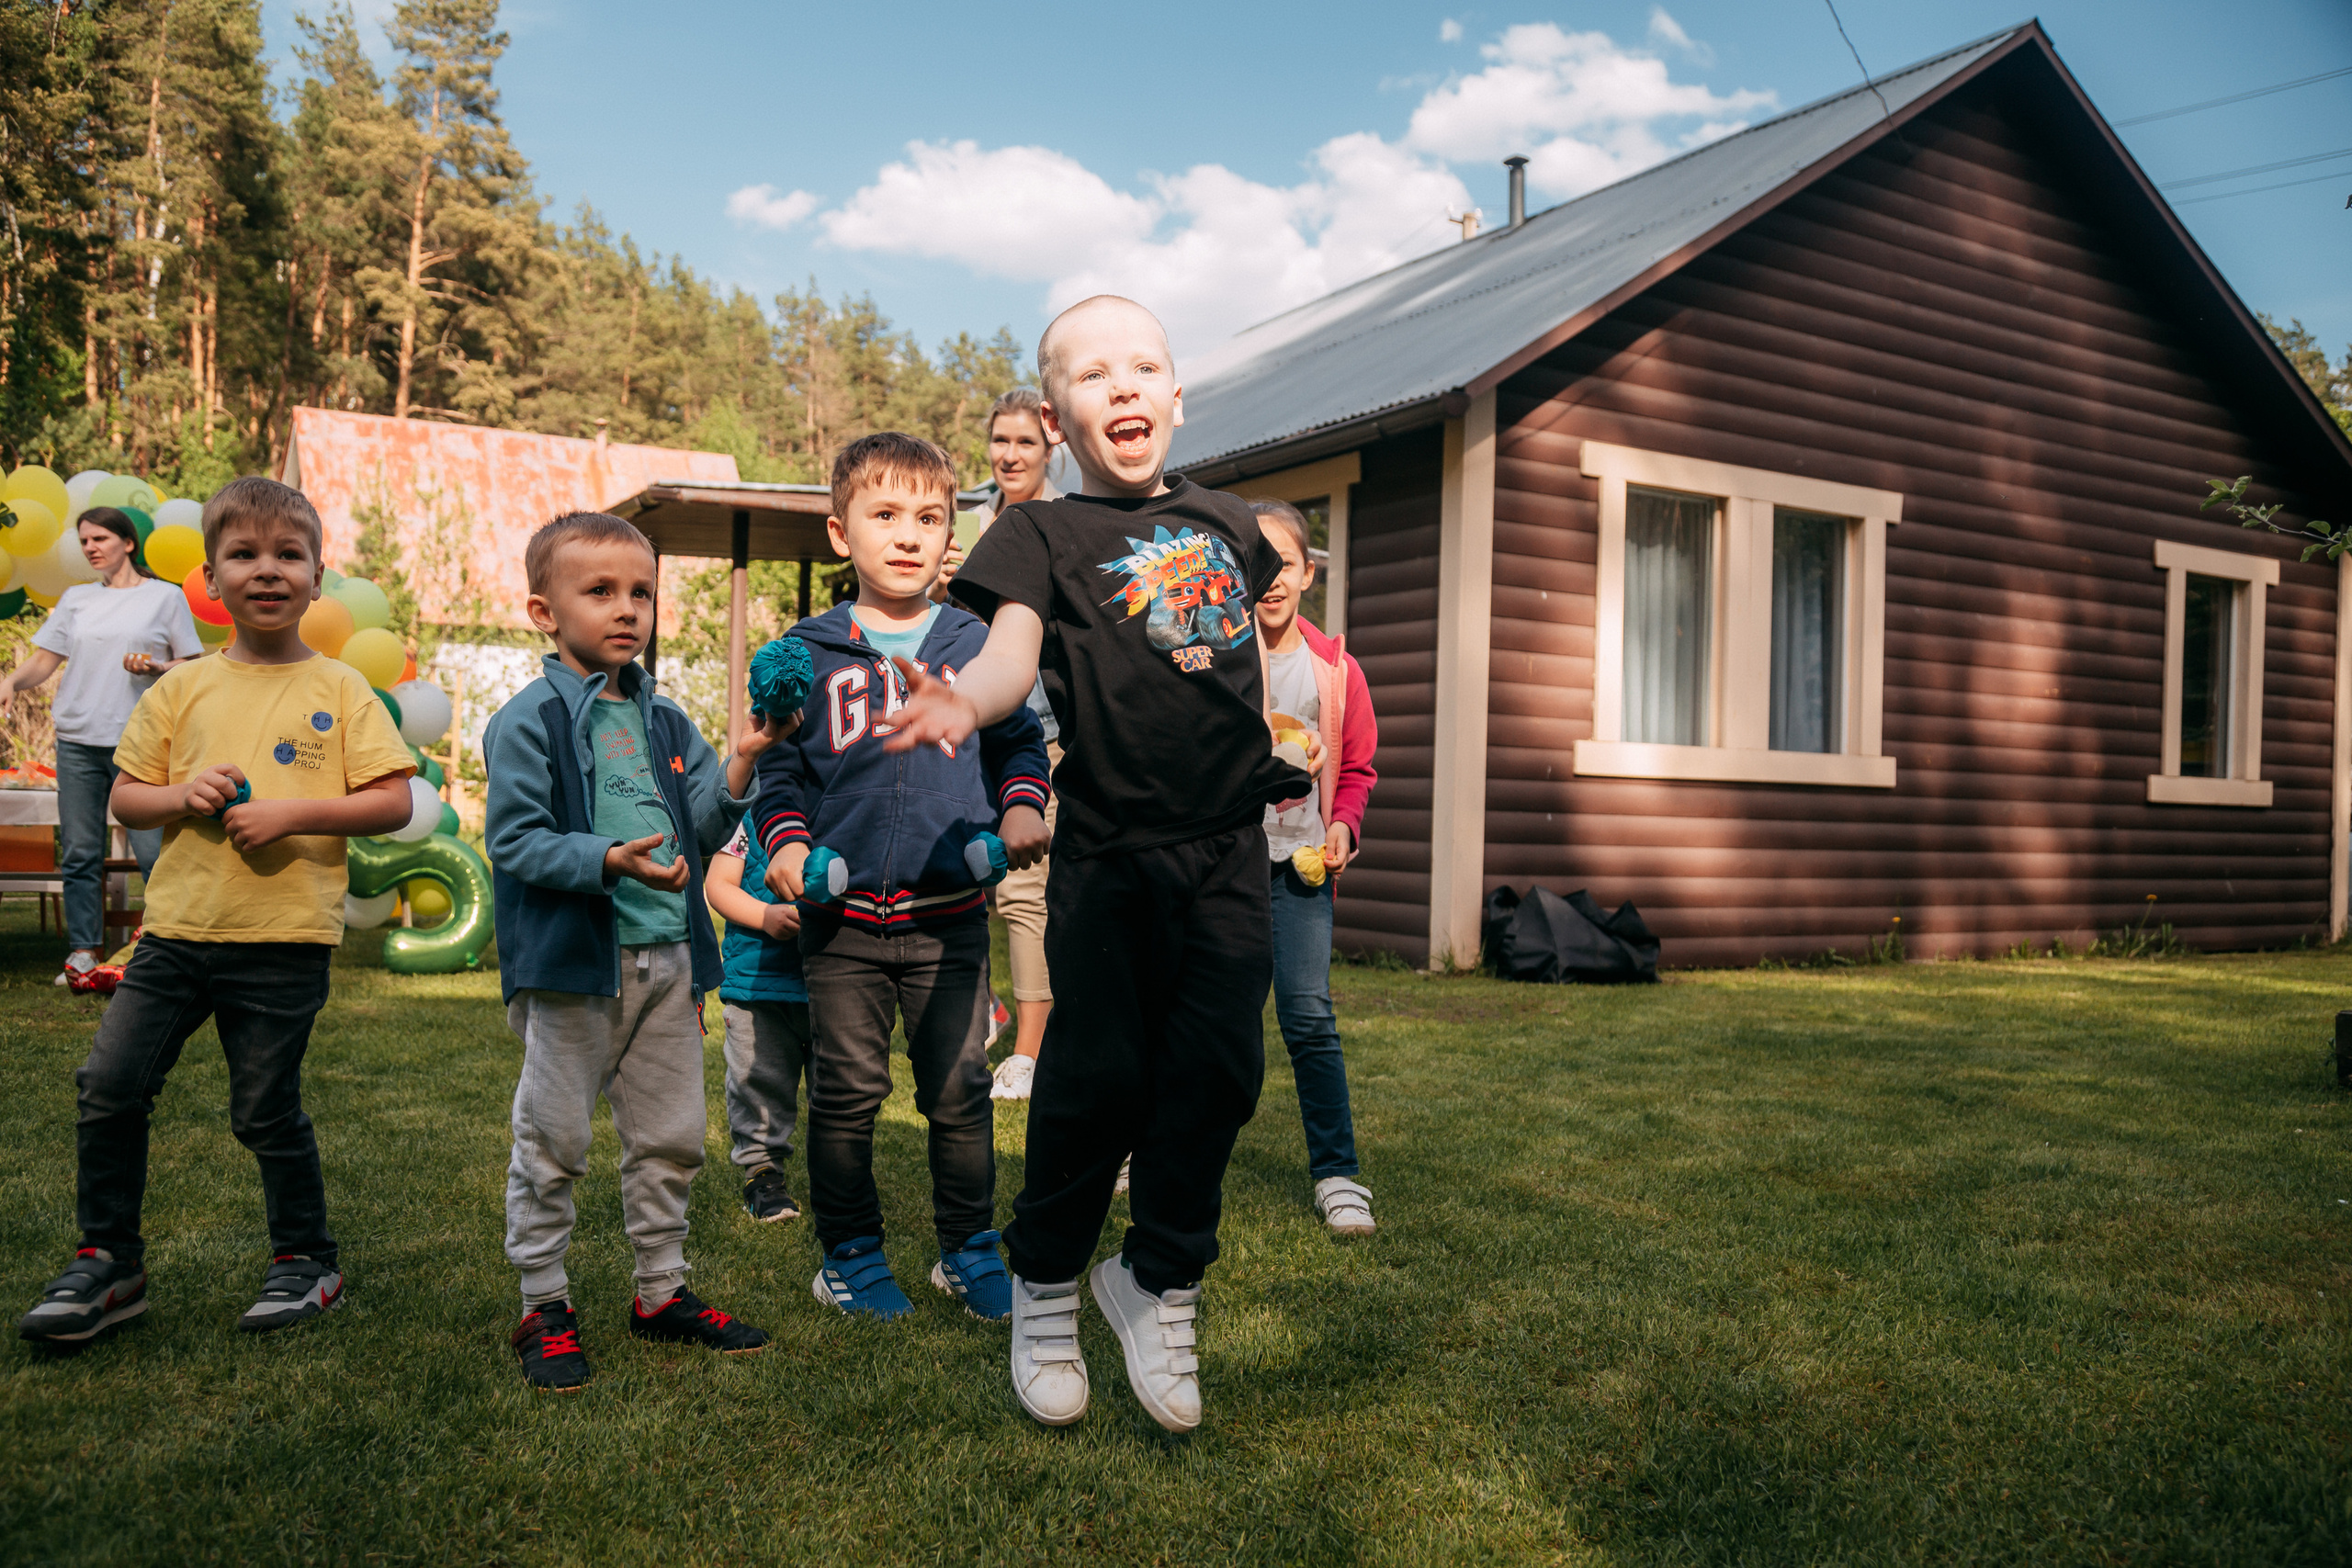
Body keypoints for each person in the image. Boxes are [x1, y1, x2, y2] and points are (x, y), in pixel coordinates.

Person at [883, 295, 1318, 1433]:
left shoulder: (1230, 524)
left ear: (1177, 396)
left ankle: (1154, 1280)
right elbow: (1008, 662)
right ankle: (1045, 1283)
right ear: (1058, 416)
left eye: (1144, 367)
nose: (1122, 387)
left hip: (1228, 845)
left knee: (1220, 1077)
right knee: (1097, 1082)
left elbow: (1242, 670)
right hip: (1114, 854)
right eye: (1092, 375)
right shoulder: (1039, 536)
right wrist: (960, 702)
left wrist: (1273, 753)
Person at [13, 478, 415, 1349]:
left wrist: (291, 812)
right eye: (244, 554)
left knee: (264, 1109)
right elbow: (125, 796)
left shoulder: (342, 687)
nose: (266, 571)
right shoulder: (181, 688)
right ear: (210, 576)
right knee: (109, 1086)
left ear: (317, 575)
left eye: (287, 555)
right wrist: (180, 793)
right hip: (176, 934)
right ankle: (109, 1261)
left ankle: (308, 1260)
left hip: (283, 941)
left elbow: (391, 801)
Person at [754, 432, 1051, 1324]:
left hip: (950, 915)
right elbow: (780, 779)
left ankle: (967, 1250)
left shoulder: (979, 645)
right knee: (846, 1098)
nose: (908, 536)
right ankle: (848, 1256)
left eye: (928, 518)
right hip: (839, 926)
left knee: (959, 1096)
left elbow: (1020, 748)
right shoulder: (803, 655)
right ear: (840, 532)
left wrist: (1024, 812)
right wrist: (788, 846)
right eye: (884, 515)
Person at [483, 510, 782, 1393]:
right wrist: (605, 861)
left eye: (641, 592)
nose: (627, 608)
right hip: (578, 964)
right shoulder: (529, 718)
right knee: (555, 1138)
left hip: (670, 962)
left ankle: (660, 1292)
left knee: (674, 1136)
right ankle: (543, 1304)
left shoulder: (662, 719)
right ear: (544, 610)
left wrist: (737, 767)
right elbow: (515, 838)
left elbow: (695, 830)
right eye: (601, 591)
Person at [1248, 498, 1380, 1236]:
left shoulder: (1336, 671)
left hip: (1298, 873)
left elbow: (1356, 767)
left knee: (1308, 1017)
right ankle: (1154, 1152)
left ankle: (1337, 1174)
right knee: (1204, 1021)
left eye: (1285, 564)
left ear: (1307, 572)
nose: (1271, 579)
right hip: (1224, 867)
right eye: (1256, 563)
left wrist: (1340, 824)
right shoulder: (1220, 660)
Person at [0, 505, 204, 984]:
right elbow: (45, 660)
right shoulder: (76, 599)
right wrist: (11, 681)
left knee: (153, 853)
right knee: (79, 852)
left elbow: (192, 666)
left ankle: (164, 948)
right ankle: (84, 952)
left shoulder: (165, 598)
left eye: (100, 539)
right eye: (84, 540)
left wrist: (155, 668)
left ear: (128, 543)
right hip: (76, 740)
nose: (91, 547)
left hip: (140, 744)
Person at [939, 388, 1062, 1100]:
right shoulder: (965, 523)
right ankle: (975, 1005)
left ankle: (1029, 1049)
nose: (1010, 455)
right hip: (961, 724)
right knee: (959, 872)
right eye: (1001, 441)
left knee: (1024, 891)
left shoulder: (1060, 525)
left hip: (1036, 728)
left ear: (1051, 449)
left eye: (1025, 442)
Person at [705, 818, 809, 1223]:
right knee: (758, 1083)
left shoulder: (844, 797)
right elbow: (719, 884)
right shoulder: (746, 815)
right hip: (757, 986)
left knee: (840, 1088)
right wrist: (765, 916)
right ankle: (763, 1175)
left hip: (833, 980)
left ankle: (841, 1174)